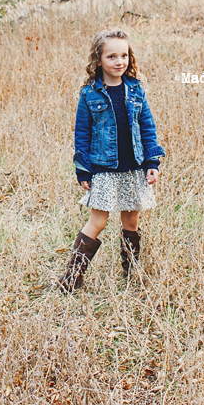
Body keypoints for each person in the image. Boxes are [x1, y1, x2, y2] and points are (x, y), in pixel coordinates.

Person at [60, 28, 164, 293]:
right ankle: (71, 279)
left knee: (131, 222)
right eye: (112, 57)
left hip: (134, 168)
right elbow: (81, 134)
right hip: (104, 169)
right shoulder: (89, 94)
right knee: (99, 221)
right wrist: (83, 171)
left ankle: (131, 274)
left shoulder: (136, 90)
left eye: (124, 55)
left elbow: (147, 127)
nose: (119, 62)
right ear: (98, 60)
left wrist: (152, 163)